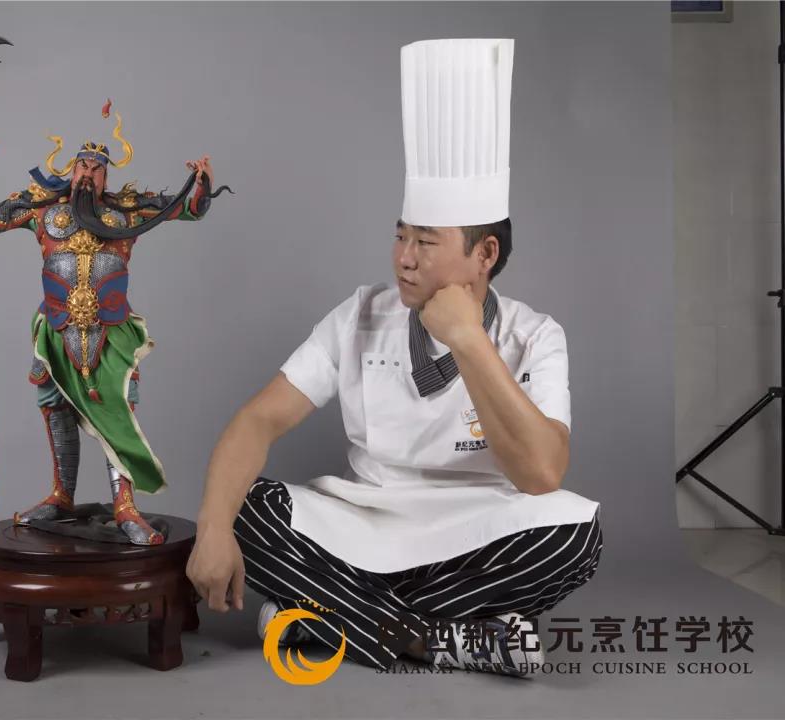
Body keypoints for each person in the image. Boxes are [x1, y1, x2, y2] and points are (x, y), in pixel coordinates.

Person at [186, 39, 602, 677]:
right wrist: (213, 529)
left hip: (478, 530)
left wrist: (469, 340)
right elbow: (258, 421)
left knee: (574, 536)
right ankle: (434, 638)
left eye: (426, 242)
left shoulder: (537, 335)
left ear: (485, 254)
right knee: (245, 509)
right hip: (366, 521)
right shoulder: (360, 315)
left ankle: (325, 616)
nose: (404, 258)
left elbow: (542, 474)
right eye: (400, 235)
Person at [0, 110, 229, 545]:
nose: (88, 174)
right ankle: (61, 495)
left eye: (97, 169)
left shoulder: (128, 211)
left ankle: (125, 507)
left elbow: (189, 209)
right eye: (82, 166)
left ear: (106, 177)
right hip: (56, 330)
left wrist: (201, 184)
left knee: (116, 412)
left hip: (110, 332)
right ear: (71, 170)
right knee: (55, 407)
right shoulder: (42, 208)